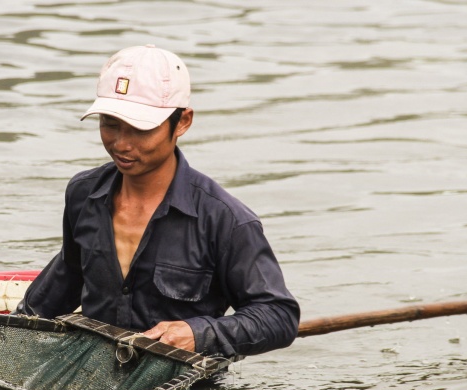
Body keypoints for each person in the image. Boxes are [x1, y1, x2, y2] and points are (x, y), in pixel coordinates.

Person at [16, 45, 300, 357]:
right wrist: (10, 338)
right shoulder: (84, 195)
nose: (121, 143)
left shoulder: (224, 219)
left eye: (140, 128)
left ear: (182, 122)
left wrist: (199, 333)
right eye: (110, 123)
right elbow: (66, 278)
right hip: (94, 375)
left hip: (180, 386)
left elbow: (278, 316)